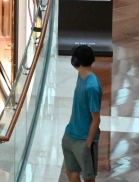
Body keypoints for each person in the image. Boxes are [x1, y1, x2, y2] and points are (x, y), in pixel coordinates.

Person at [62, 45, 102, 182]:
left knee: (88, 179)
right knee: (71, 173)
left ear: (76, 61)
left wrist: (88, 144)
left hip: (84, 139)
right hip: (70, 134)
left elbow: (96, 119)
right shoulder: (81, 75)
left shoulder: (92, 87)